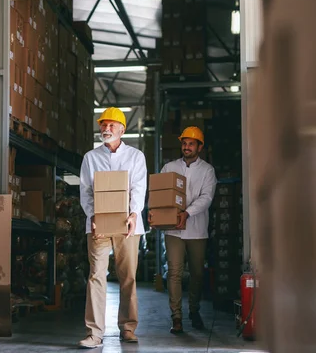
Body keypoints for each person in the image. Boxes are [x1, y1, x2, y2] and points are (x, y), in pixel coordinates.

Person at [78, 107, 148, 349]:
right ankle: (94, 333)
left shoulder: (136, 157)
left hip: (128, 226)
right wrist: (92, 215)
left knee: (127, 276)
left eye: (111, 125)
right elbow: (86, 191)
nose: (105, 129)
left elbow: (139, 187)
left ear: (122, 129)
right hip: (98, 225)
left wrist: (133, 213)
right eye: (103, 125)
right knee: (96, 275)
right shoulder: (91, 157)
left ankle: (128, 328)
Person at [149, 126, 216, 334]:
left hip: (196, 230)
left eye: (191, 144)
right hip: (173, 231)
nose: (186, 147)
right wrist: (153, 210)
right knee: (174, 273)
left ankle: (194, 310)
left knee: (197, 274)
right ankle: (176, 317)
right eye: (184, 143)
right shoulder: (169, 167)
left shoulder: (207, 171)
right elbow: (158, 191)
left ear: (199, 147)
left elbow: (206, 198)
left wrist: (187, 213)